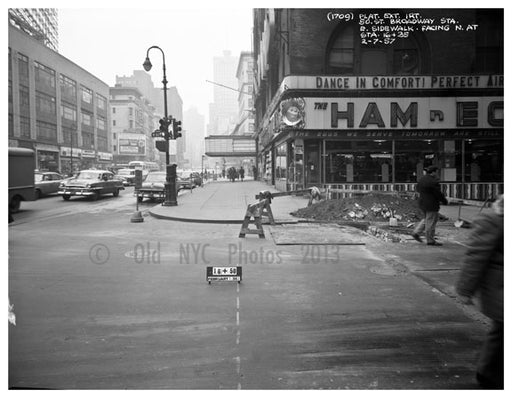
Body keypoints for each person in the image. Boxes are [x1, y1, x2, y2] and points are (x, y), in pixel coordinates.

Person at [456, 195, 503, 389]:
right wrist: (465, 290)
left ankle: (489, 372)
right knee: (501, 332)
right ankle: (488, 374)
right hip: (501, 288)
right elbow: (475, 257)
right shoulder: (492, 221)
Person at [411, 165, 448, 245]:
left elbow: (417, 189)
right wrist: (444, 201)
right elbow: (438, 193)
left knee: (427, 219)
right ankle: (430, 240)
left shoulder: (422, 179)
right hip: (431, 204)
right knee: (431, 221)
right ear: (434, 172)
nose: (437, 174)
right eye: (437, 172)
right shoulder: (433, 181)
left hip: (422, 203)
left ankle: (416, 232)